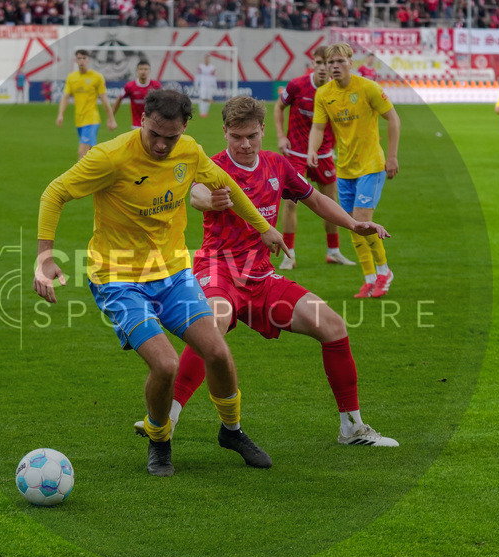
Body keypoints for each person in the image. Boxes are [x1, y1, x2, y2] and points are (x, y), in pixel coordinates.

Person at [35, 90, 290, 477]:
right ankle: (159, 440)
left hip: (172, 274)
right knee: (167, 365)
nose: (160, 144)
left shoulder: (188, 151)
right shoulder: (110, 157)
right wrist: (45, 257)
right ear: (142, 119)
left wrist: (265, 228)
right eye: (154, 133)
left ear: (184, 128)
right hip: (118, 279)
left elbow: (227, 185)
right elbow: (55, 192)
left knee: (217, 353)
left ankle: (232, 431)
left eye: (169, 137)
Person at [134, 96, 400, 448]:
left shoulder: (277, 165)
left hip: (261, 277)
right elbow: (195, 194)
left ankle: (352, 427)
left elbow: (316, 200)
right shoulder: (209, 166)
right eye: (237, 137)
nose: (245, 145)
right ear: (225, 132)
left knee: (333, 326)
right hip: (219, 271)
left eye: (252, 137)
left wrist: (354, 224)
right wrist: (207, 199)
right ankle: (168, 417)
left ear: (262, 132)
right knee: (211, 326)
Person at [309, 43, 401, 299]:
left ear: (351, 62)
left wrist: (391, 156)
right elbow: (317, 128)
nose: (334, 66)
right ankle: (369, 278)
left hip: (371, 165)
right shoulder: (323, 94)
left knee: (361, 220)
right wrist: (312, 150)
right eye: (330, 63)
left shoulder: (367, 88)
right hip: (345, 168)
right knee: (351, 224)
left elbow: (393, 118)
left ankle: (384, 272)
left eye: (340, 61)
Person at [273, 45, 354, 270]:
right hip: (296, 153)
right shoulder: (297, 85)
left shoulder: (336, 90)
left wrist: (338, 146)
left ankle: (333, 251)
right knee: (290, 204)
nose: (321, 68)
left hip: (325, 154)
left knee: (330, 203)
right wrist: (281, 136)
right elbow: (279, 107)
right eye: (317, 63)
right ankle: (289, 255)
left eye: (325, 64)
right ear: (313, 64)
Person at [57, 49, 118, 159]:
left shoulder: (97, 77)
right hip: (79, 120)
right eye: (79, 58)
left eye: (84, 58)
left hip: (91, 119)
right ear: (76, 60)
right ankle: (100, 173)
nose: (82, 61)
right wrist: (61, 114)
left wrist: (111, 119)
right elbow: (65, 97)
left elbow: (104, 99)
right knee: (90, 154)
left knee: (82, 153)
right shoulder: (71, 77)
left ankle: (80, 177)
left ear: (88, 60)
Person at [112, 59, 163, 129]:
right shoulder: (130, 86)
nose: (143, 71)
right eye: (141, 69)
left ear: (149, 71)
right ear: (137, 71)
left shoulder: (156, 85)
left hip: (152, 124)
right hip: (136, 125)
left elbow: (164, 101)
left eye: (145, 69)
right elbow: (119, 98)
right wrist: (111, 118)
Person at [195, 54, 218, 118]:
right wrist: (196, 84)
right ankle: (202, 112)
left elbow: (214, 77)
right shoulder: (201, 67)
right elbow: (198, 76)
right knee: (202, 98)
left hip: (210, 86)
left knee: (208, 99)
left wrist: (215, 86)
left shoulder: (212, 67)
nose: (207, 60)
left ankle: (205, 112)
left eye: (208, 59)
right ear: (204, 59)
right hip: (203, 85)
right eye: (206, 59)